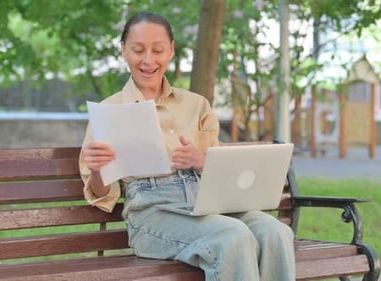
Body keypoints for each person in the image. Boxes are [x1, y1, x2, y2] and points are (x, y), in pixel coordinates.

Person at [79, 11, 295, 281]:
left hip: (206, 202)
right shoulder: (109, 111)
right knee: (232, 236)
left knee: (274, 231)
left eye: (158, 50)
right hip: (152, 212)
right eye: (137, 50)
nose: (148, 60)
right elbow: (102, 197)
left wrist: (200, 160)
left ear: (171, 51)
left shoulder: (196, 104)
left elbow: (220, 171)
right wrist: (99, 169)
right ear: (123, 50)